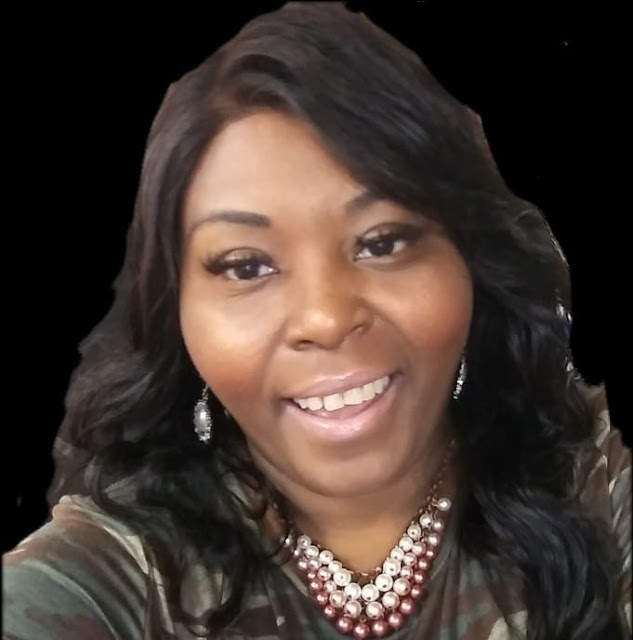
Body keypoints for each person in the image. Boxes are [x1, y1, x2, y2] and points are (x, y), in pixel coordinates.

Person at [3, 3, 630, 639]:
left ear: (471, 259)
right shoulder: (119, 574)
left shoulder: (599, 477)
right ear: (176, 312)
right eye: (247, 266)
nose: (327, 319)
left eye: (382, 242)